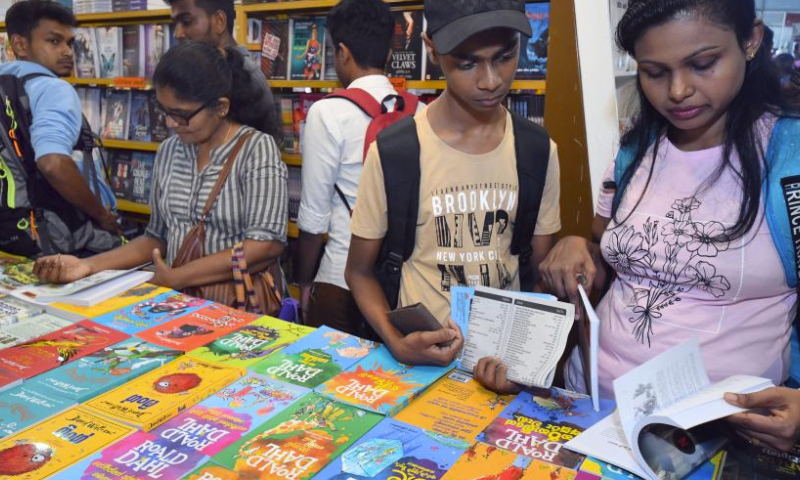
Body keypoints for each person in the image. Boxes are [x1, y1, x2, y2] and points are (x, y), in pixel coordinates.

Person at [539, 0, 800, 450]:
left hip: (722, 431)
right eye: (654, 72)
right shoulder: (635, 147)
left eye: (702, 64)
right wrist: (577, 244)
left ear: (751, 40)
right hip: (595, 405)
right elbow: (609, 249)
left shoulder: (788, 157)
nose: (677, 91)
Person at [345, 0, 561, 388]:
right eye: (467, 63)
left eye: (506, 56)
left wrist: (522, 361)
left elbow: (539, 279)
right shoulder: (396, 152)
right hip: (417, 368)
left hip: (500, 369)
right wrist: (394, 340)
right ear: (431, 49)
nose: (491, 80)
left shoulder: (537, 150)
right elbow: (359, 272)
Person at [33, 41, 288, 301]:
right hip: (179, 301)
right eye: (164, 111)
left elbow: (265, 245)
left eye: (181, 114)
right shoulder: (169, 150)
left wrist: (179, 277)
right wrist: (89, 265)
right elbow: (156, 238)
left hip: (238, 303)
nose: (170, 123)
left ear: (221, 107)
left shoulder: (256, 149)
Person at [297, 0, 416, 336]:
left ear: (343, 52)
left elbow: (313, 217)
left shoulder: (327, 113)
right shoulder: (420, 111)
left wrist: (305, 283)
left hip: (341, 283)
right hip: (401, 287)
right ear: (390, 54)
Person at [0, 0, 121, 258]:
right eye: (54, 42)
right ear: (20, 45)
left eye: (70, 43)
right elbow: (52, 163)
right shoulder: (54, 89)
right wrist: (102, 216)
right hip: (64, 237)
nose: (67, 52)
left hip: (13, 234)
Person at [167, 0, 280, 140]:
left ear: (219, 21)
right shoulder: (202, 70)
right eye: (175, 24)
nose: (177, 34)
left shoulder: (244, 76)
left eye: (186, 21)